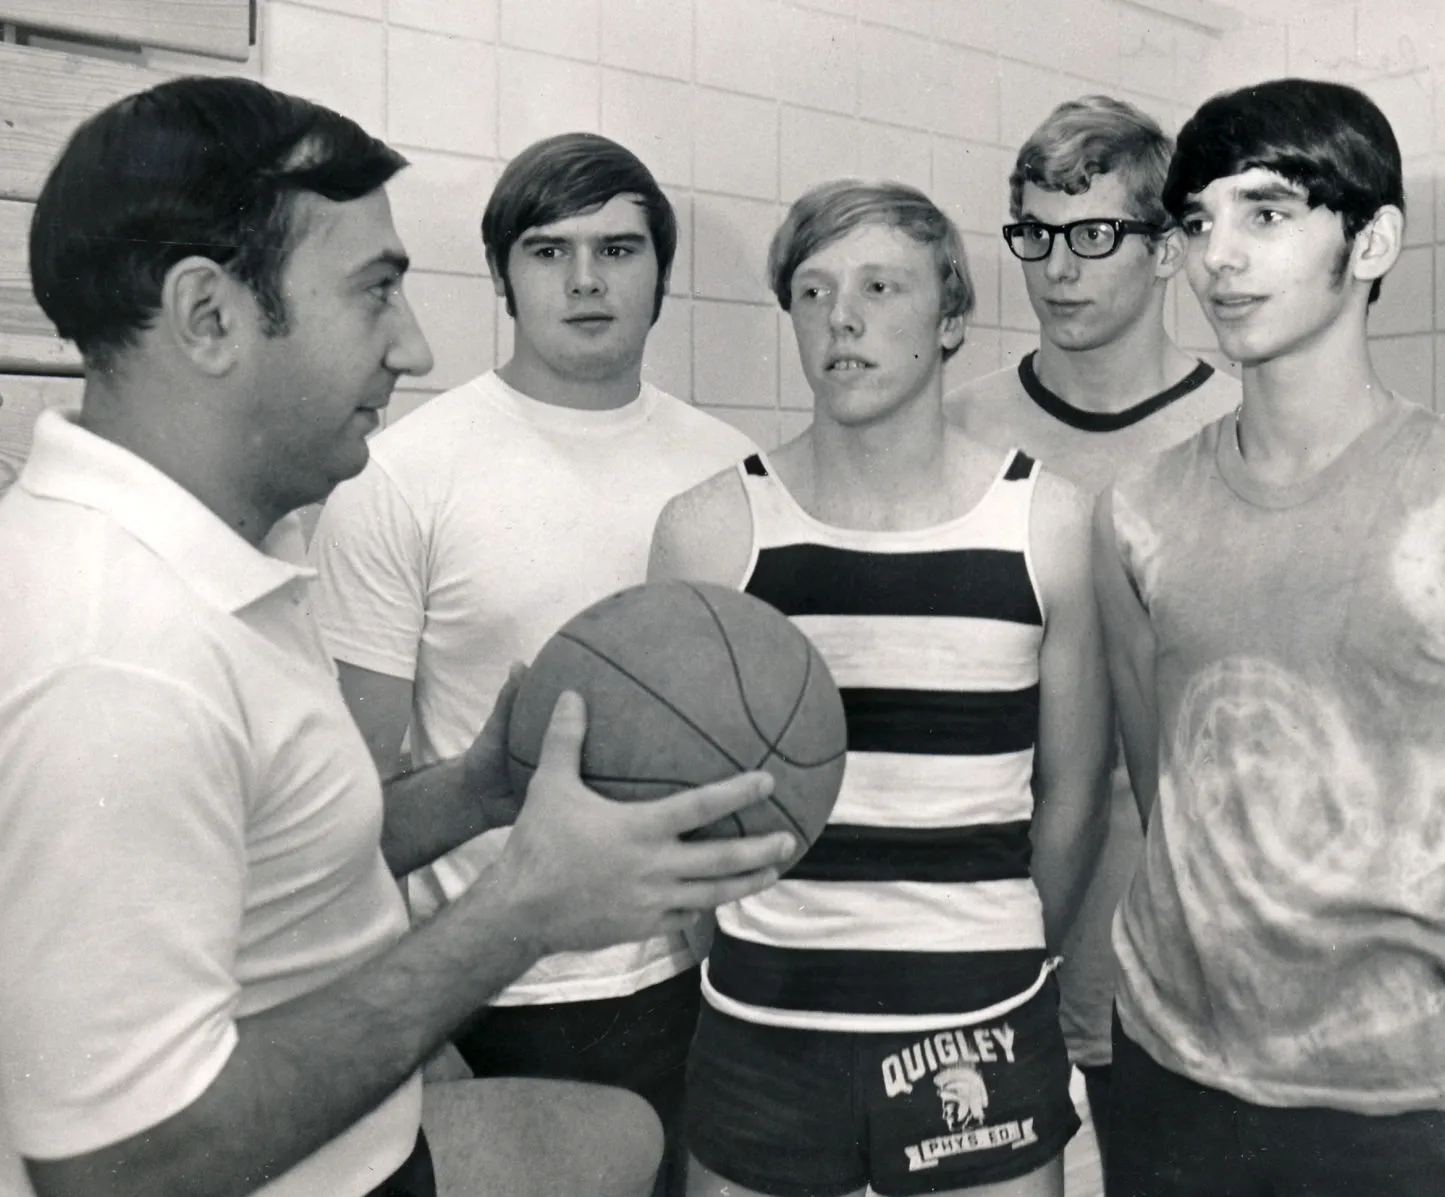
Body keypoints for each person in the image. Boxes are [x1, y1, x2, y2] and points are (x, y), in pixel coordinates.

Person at [0, 76, 794, 1197]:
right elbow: (122, 1168)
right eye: (374, 292)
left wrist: (477, 789)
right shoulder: (115, 653)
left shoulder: (193, 572)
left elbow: (268, 874)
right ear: (208, 317)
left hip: (389, 1140)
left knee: (626, 1137)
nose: (414, 347)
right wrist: (517, 914)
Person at [1093, 78, 1445, 1196]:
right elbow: (1160, 781)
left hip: (1399, 1115)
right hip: (1165, 1070)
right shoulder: (1136, 511)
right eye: (1197, 222)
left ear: (1370, 240)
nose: (1218, 257)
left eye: (1265, 214)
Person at [308, 132, 755, 1192]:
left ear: (661, 274)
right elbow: (345, 804)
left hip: (698, 983)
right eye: (550, 251)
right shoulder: (402, 473)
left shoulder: (732, 467)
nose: (588, 279)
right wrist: (419, 1033)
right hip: (484, 987)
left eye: (619, 249)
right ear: (502, 277)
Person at [649, 179, 1114, 1197]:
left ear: (950, 319)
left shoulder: (1049, 524)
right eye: (810, 294)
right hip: (765, 1023)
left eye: (878, 286)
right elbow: (674, 801)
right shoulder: (711, 529)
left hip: (976, 1023)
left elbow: (1074, 793)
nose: (840, 318)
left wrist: (987, 960)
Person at [946, 95, 1240, 1170]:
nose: (1056, 269)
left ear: (1165, 250)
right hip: (990, 908)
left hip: (1173, 928)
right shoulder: (957, 427)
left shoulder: (1235, 429)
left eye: (1094, 237)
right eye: (1033, 235)